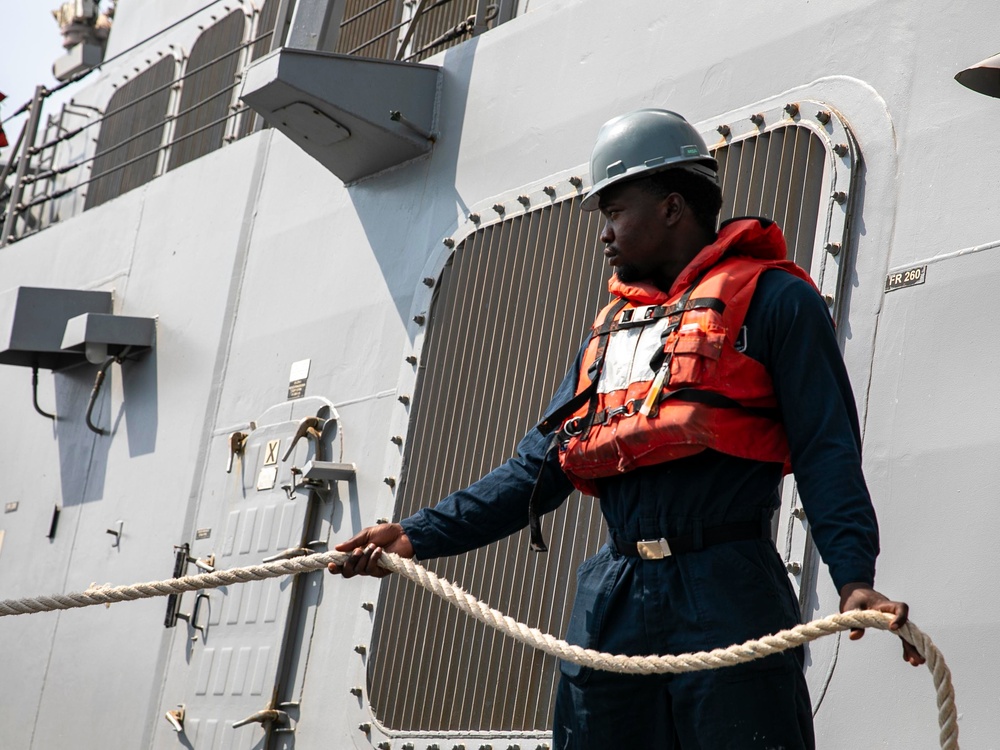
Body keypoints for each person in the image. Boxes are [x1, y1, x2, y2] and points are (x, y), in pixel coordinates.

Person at [328, 108, 924, 749]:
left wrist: (854, 577)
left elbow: (826, 449)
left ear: (672, 207)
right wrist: (412, 537)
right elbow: (537, 469)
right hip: (612, 598)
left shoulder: (777, 302)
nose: (604, 234)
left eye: (615, 212)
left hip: (729, 589)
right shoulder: (610, 334)